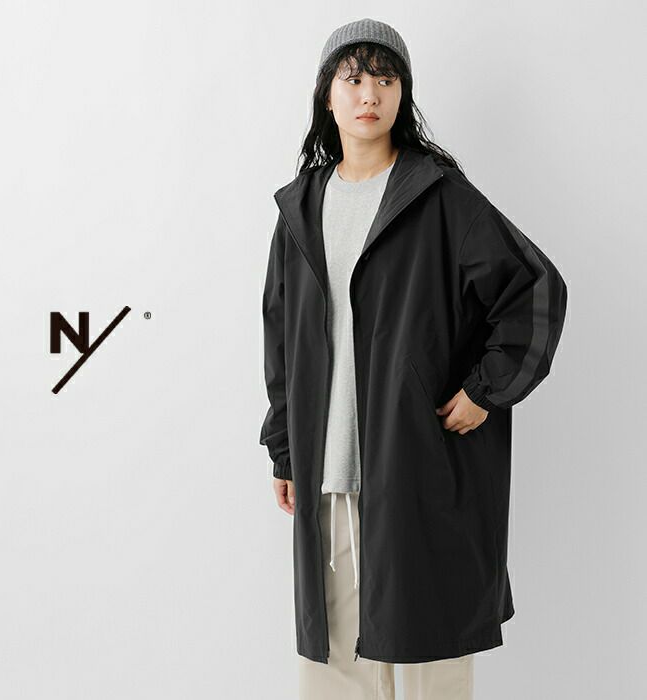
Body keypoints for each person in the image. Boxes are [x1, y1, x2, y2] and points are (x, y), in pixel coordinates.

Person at [259, 17, 568, 700]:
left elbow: (534, 289)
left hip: (419, 467)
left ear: (403, 94)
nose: (370, 93)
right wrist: (284, 449)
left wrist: (486, 389)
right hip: (327, 473)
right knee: (335, 670)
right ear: (328, 94)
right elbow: (281, 339)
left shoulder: (439, 198)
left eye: (386, 78)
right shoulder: (301, 209)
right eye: (354, 77)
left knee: (431, 659)